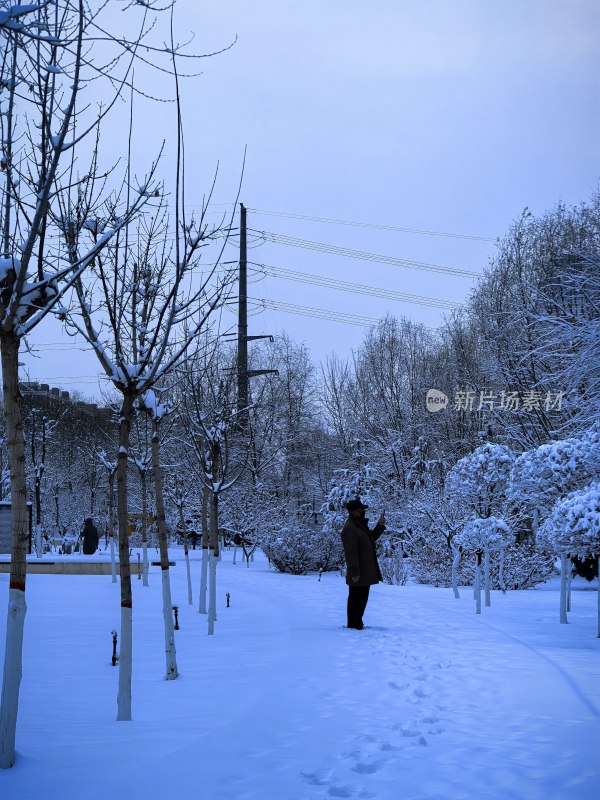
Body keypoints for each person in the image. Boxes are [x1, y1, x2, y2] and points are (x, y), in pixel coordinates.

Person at [340, 499, 386, 629]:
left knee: (361, 599)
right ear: (354, 512)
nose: (363, 512)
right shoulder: (350, 528)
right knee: (356, 599)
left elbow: (370, 539)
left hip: (364, 572)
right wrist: (354, 572)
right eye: (361, 511)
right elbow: (351, 553)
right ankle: (354, 626)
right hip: (359, 572)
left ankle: (356, 624)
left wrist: (380, 526)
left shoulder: (358, 525)